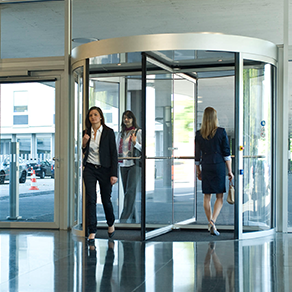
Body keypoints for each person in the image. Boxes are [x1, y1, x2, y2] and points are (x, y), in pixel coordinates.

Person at [195, 107, 233, 236]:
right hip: (218, 166)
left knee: (207, 196)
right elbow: (226, 154)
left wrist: (198, 170)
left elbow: (197, 155)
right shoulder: (221, 132)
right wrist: (230, 171)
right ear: (215, 118)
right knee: (219, 197)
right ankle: (212, 221)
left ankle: (210, 222)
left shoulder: (199, 134)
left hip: (206, 165)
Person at [82, 106, 118, 243]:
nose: (93, 117)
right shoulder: (86, 132)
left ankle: (110, 223)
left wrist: (113, 174)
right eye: (91, 115)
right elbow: (82, 149)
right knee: (91, 199)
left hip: (105, 169)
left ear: (101, 117)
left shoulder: (109, 132)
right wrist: (84, 143)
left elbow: (113, 154)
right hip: (90, 169)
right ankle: (92, 230)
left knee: (105, 200)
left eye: (95, 115)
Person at [117, 110, 142, 223]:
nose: (126, 120)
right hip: (123, 164)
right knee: (127, 192)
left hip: (134, 164)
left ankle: (123, 219)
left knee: (130, 191)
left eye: (128, 118)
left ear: (133, 119)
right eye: (124, 118)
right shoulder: (121, 133)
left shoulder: (138, 132)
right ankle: (134, 219)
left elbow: (143, 149)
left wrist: (135, 142)